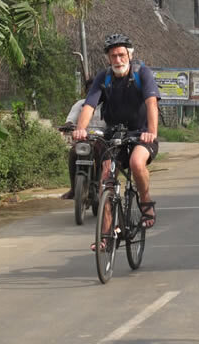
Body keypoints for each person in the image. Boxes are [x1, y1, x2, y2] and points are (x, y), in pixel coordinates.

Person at [73, 33, 161, 250]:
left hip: (141, 134)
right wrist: (80, 129)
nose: (118, 60)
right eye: (114, 56)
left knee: (136, 163)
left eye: (122, 55)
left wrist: (151, 131)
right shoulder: (104, 78)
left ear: (129, 55)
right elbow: (89, 105)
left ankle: (146, 202)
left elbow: (151, 104)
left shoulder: (143, 73)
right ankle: (105, 236)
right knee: (106, 180)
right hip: (113, 135)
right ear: (108, 58)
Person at [61, 78, 106, 200]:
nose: (94, 93)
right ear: (86, 91)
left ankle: (103, 186)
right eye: (90, 90)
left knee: (103, 156)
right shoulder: (80, 104)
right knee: (73, 153)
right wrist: (68, 125)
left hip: (102, 141)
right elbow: (71, 119)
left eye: (97, 90)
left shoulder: (108, 105)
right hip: (83, 141)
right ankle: (73, 188)